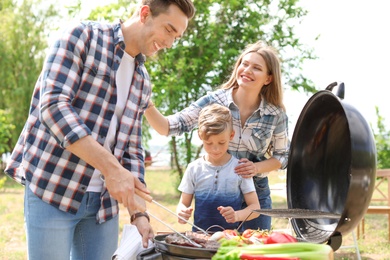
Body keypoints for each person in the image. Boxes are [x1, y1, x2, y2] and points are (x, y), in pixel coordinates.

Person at [4, 0, 195, 259]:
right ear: (145, 13)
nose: (170, 42)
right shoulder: (82, 36)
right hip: (53, 189)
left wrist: (138, 213)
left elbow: (131, 147)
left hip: (102, 207)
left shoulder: (143, 81)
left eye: (177, 36)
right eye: (169, 30)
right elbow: (53, 107)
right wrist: (112, 170)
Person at [144, 40, 289, 231]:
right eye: (244, 64)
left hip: (255, 196)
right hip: (218, 194)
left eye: (256, 68)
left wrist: (255, 168)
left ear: (268, 78)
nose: (247, 70)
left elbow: (282, 156)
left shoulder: (275, 114)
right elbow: (168, 127)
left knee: (253, 252)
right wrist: (144, 100)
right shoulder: (214, 101)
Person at [176, 103, 260, 231]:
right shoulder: (194, 168)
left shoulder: (240, 168)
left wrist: (237, 215)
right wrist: (181, 212)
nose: (215, 149)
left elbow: (255, 208)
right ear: (200, 136)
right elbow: (183, 203)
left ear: (231, 136)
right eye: (209, 143)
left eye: (221, 142)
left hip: (231, 240)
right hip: (200, 239)